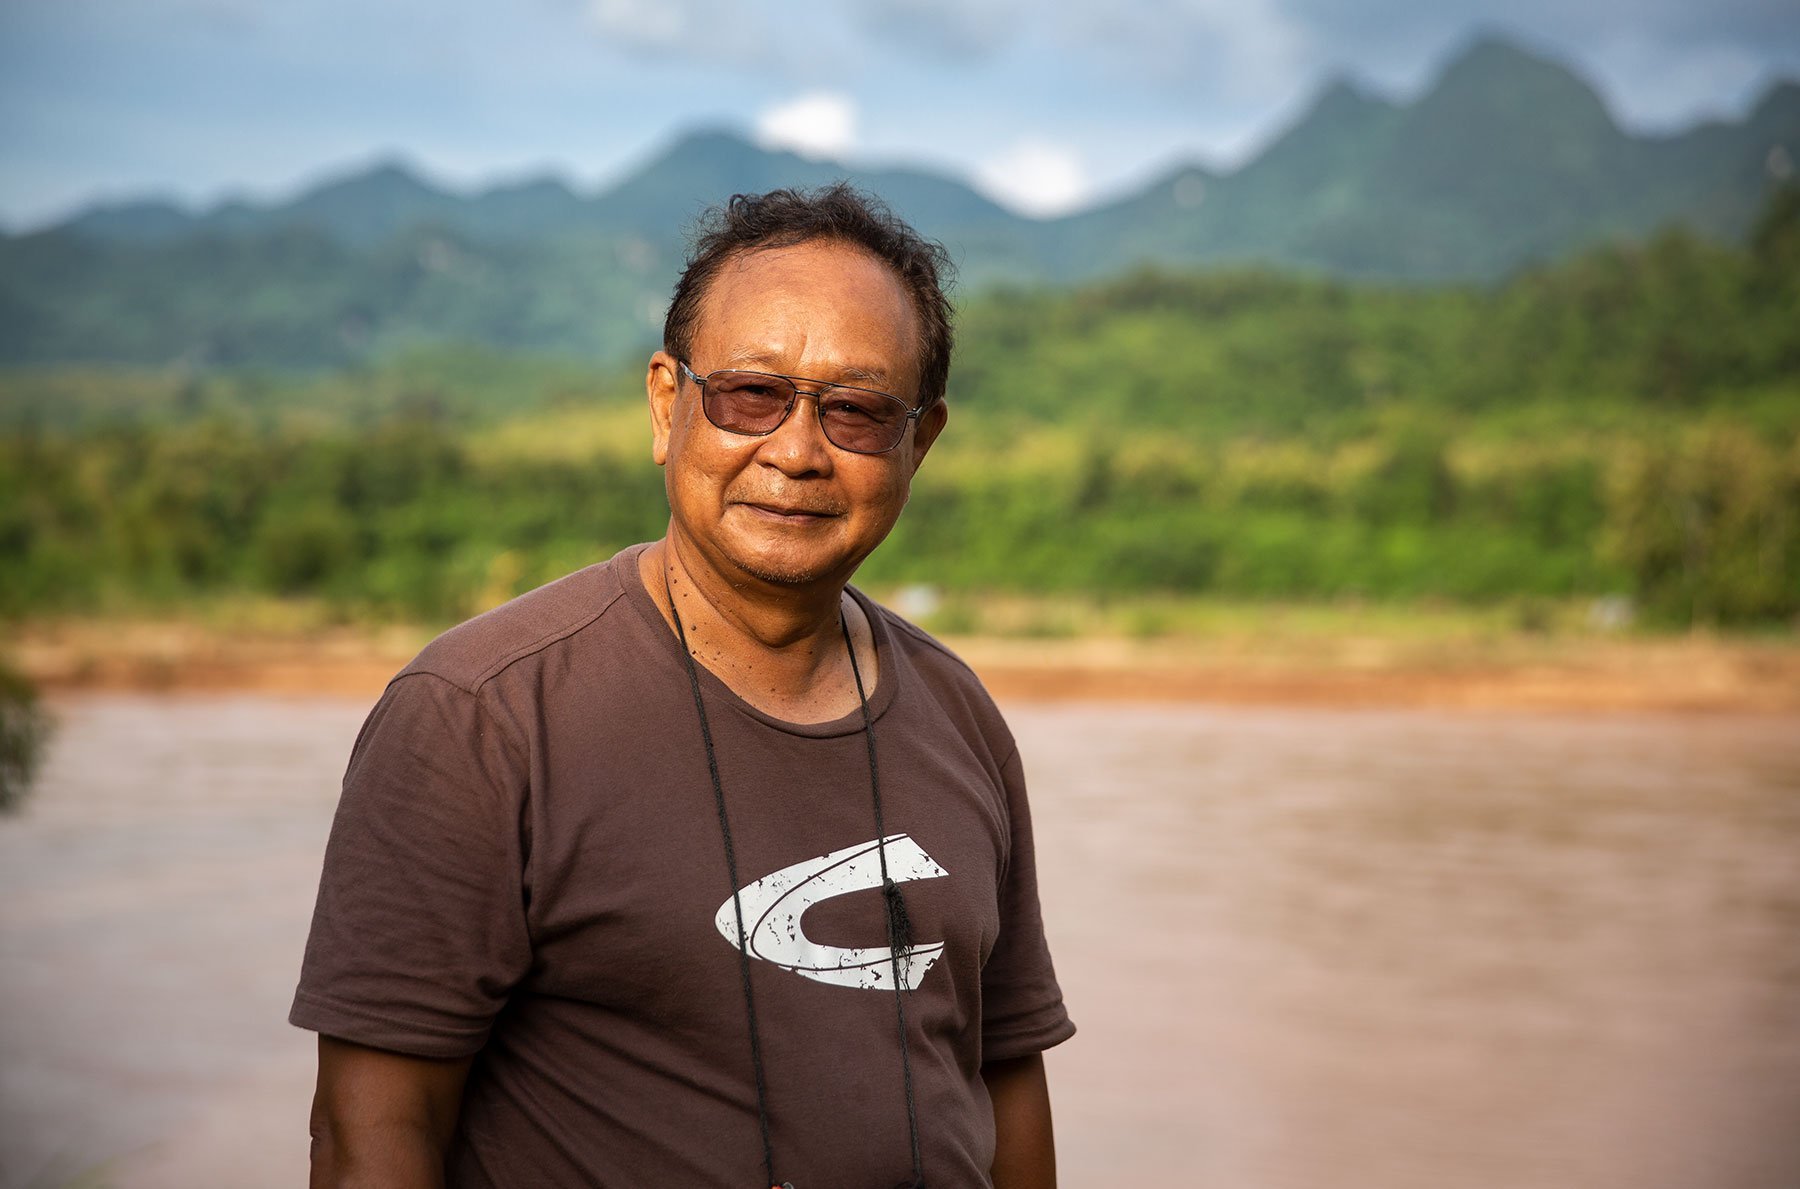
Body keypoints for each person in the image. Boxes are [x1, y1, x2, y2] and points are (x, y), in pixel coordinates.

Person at [292, 183, 1074, 1188]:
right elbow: (373, 1135)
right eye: (751, 394)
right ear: (669, 404)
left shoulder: (958, 712)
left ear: (918, 442)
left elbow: (1005, 1077)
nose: (795, 452)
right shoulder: (483, 716)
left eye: (856, 412)